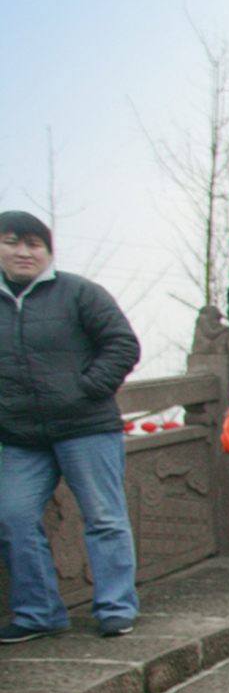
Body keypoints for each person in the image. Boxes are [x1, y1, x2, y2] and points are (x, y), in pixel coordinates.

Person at [0, 211, 143, 641]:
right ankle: (39, 612)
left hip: (86, 425)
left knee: (104, 516)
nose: (24, 252)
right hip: (19, 435)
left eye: (34, 244)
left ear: (48, 251)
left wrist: (85, 389)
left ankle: (115, 607)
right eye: (12, 242)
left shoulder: (79, 292)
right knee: (12, 516)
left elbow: (122, 344)